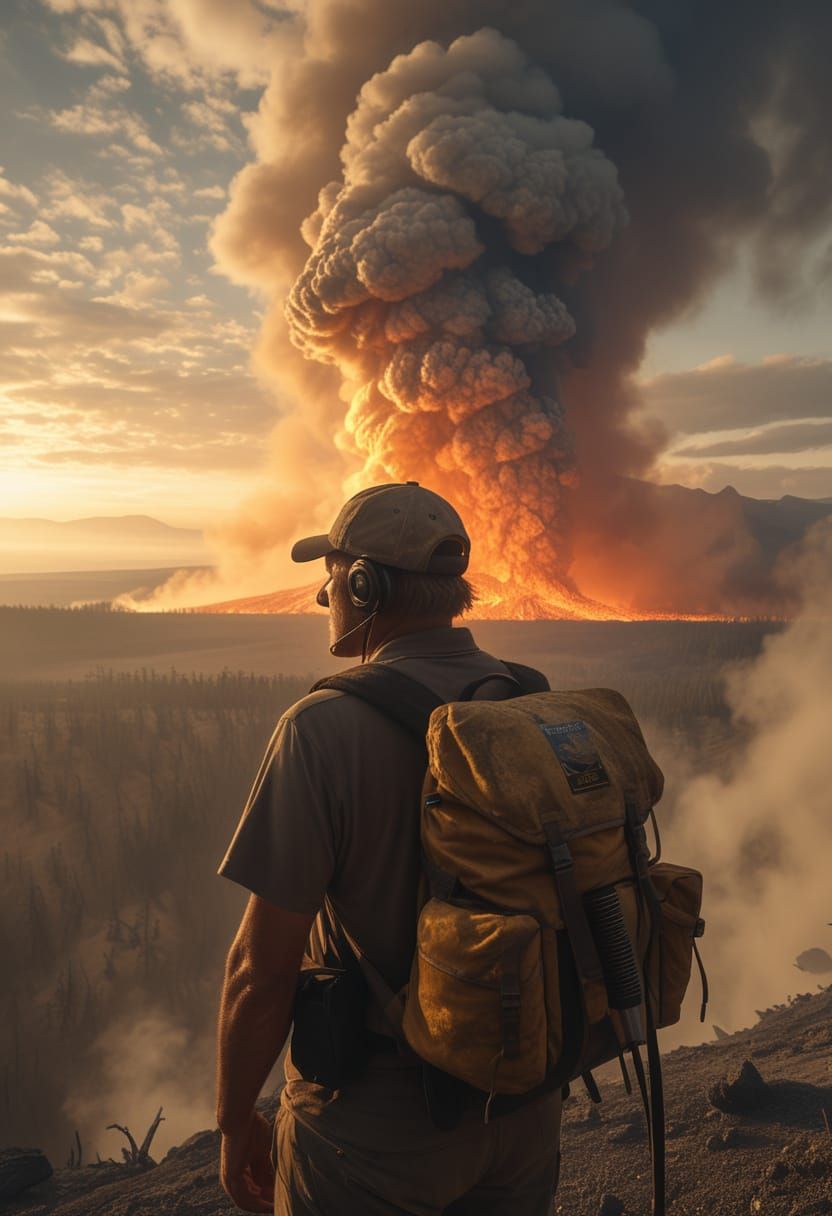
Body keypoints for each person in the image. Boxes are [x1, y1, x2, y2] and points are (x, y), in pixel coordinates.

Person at [215, 482, 562, 1216]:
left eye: (333, 573)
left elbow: (260, 971)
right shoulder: (529, 700)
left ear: (365, 586)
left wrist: (233, 1119)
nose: (323, 594)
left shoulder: (321, 728)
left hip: (374, 1132)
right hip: (523, 1108)